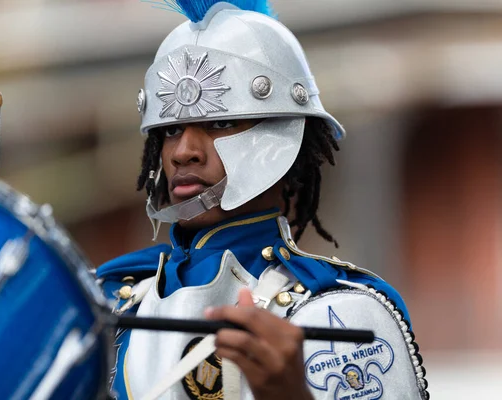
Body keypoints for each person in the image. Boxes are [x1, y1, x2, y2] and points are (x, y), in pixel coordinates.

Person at [96, 1, 429, 399]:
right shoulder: (111, 300)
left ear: (283, 138)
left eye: (219, 123)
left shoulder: (337, 310)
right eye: (170, 130)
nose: (183, 151)